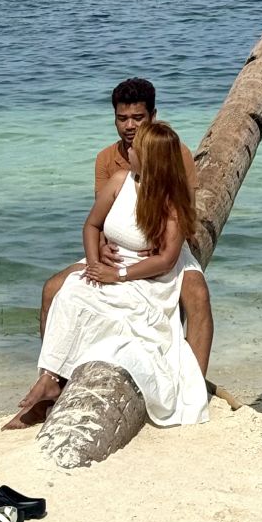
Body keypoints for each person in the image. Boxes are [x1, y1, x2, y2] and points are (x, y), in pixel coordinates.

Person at [6, 121, 210, 429]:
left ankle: (193, 383)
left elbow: (166, 260)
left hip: (146, 274)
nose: (128, 150)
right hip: (110, 263)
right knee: (70, 292)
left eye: (135, 149)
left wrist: (120, 274)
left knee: (127, 315)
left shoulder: (171, 202)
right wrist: (94, 264)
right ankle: (49, 379)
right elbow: (91, 225)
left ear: (151, 159)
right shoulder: (119, 181)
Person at [38, 79, 213, 376]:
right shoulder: (107, 159)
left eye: (138, 118)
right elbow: (102, 216)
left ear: (153, 116)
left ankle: (195, 379)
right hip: (119, 247)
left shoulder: (174, 152)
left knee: (197, 295)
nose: (129, 125)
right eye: (122, 119)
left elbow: (186, 208)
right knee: (52, 289)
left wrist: (160, 243)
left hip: (165, 246)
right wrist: (100, 251)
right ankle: (53, 375)